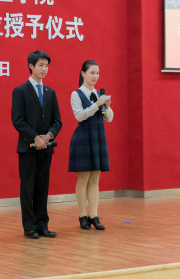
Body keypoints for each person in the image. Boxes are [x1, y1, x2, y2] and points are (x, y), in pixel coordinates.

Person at [11, 50, 62, 239]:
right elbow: (18, 120)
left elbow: (57, 121)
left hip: (46, 148)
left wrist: (49, 135)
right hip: (28, 148)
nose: (44, 69)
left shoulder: (50, 93)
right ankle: (29, 227)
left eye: (46, 66)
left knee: (42, 187)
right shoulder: (20, 91)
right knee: (28, 188)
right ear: (31, 66)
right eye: (40, 65)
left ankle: (42, 225)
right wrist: (35, 137)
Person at [68, 60, 113, 230]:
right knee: (83, 178)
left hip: (98, 137)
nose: (95, 76)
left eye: (97, 73)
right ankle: (82, 216)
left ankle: (94, 216)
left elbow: (109, 118)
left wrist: (106, 106)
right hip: (83, 138)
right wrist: (97, 104)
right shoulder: (76, 94)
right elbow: (79, 116)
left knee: (95, 178)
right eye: (92, 73)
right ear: (83, 74)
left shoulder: (99, 95)